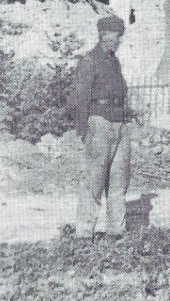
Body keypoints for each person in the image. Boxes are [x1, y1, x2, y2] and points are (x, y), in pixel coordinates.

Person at [71, 14, 134, 239]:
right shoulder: (89, 61)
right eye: (116, 37)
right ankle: (85, 232)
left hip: (120, 122)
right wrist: (83, 128)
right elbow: (80, 97)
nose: (118, 42)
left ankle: (116, 229)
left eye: (119, 37)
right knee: (93, 178)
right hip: (98, 122)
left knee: (119, 179)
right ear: (104, 35)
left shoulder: (114, 61)